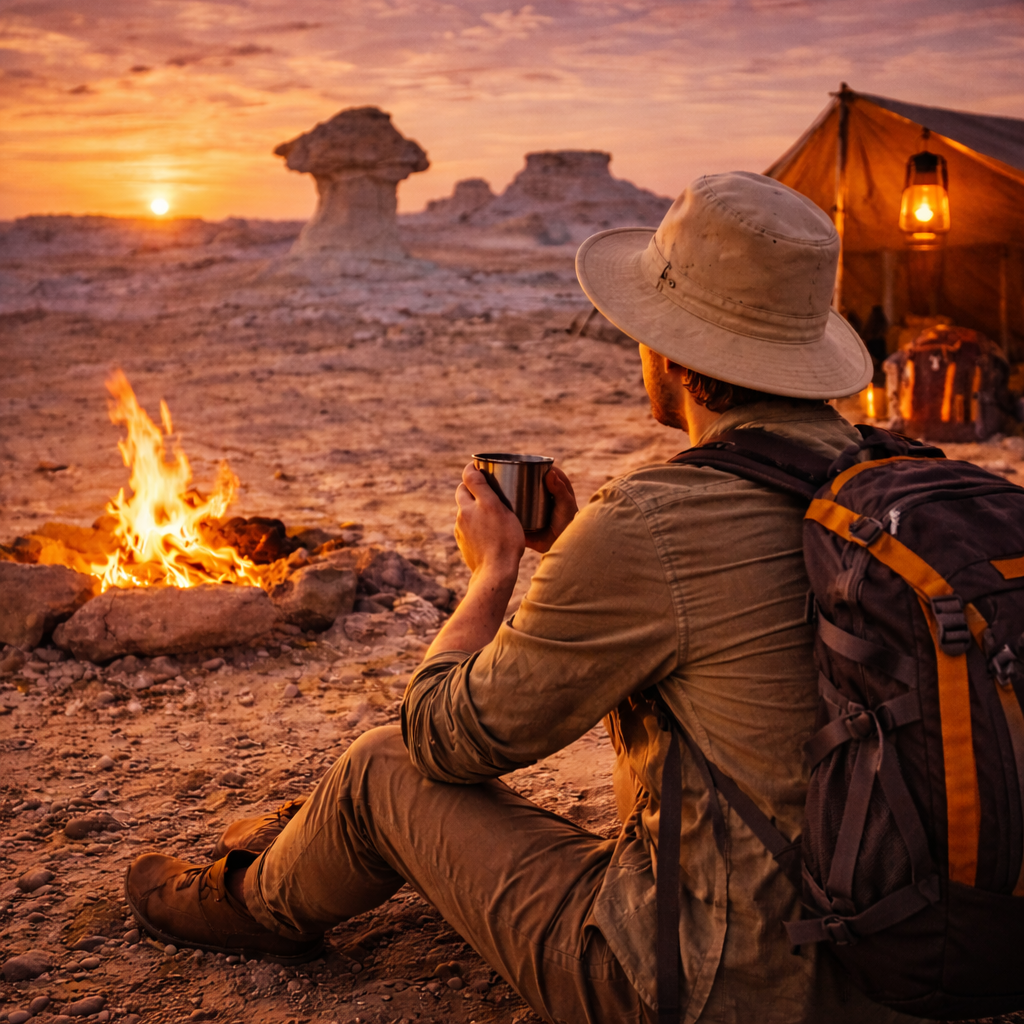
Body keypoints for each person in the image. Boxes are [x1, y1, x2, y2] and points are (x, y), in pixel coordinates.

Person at [125, 172, 923, 1023]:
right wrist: (579, 559)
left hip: (734, 985)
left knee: (379, 767)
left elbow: (445, 740)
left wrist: (494, 575)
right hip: (917, 959)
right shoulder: (907, 485)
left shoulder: (657, 523)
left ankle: (248, 904)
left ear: (677, 356)